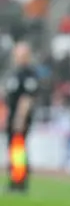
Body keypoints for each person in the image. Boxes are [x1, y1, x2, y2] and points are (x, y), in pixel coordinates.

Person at [4, 40, 39, 193]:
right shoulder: (14, 72)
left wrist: (20, 118)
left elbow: (26, 99)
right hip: (11, 116)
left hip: (19, 118)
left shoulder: (28, 74)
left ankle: (19, 180)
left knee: (18, 149)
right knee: (14, 149)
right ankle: (15, 178)